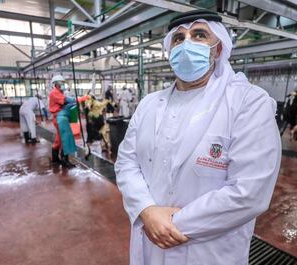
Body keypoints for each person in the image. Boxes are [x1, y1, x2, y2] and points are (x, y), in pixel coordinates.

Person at [115, 10, 281, 265]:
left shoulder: (248, 102)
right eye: (179, 39)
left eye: (199, 35)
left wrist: (169, 225)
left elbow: (250, 191)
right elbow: (127, 163)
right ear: (170, 50)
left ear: (217, 49)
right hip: (149, 243)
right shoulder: (149, 104)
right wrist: (146, 211)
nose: (187, 43)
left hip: (209, 250)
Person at [49, 75, 89, 168]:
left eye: (63, 83)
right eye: (62, 83)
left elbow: (67, 102)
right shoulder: (54, 93)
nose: (63, 84)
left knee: (59, 139)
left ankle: (55, 159)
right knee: (65, 138)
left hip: (60, 117)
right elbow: (68, 100)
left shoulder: (59, 92)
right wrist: (81, 98)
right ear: (57, 84)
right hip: (60, 118)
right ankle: (64, 160)